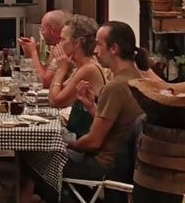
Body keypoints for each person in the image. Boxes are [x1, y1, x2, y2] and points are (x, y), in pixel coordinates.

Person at [62, 21, 146, 183]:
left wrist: (68, 144)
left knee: (39, 158)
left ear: (114, 48)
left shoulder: (115, 87)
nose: (95, 50)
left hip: (103, 167)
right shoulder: (139, 79)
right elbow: (116, 126)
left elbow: (93, 142)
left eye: (99, 44)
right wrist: (91, 106)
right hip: (125, 167)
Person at [47, 15, 107, 139]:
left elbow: (55, 101)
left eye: (63, 40)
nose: (59, 44)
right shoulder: (80, 65)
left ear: (77, 43)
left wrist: (61, 69)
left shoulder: (88, 68)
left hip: (84, 138)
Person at [18, 9, 72, 87]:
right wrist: (29, 52)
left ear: (53, 31)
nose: (41, 33)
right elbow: (45, 72)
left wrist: (33, 52)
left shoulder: (64, 49)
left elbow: (44, 82)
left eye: (43, 29)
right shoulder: (54, 47)